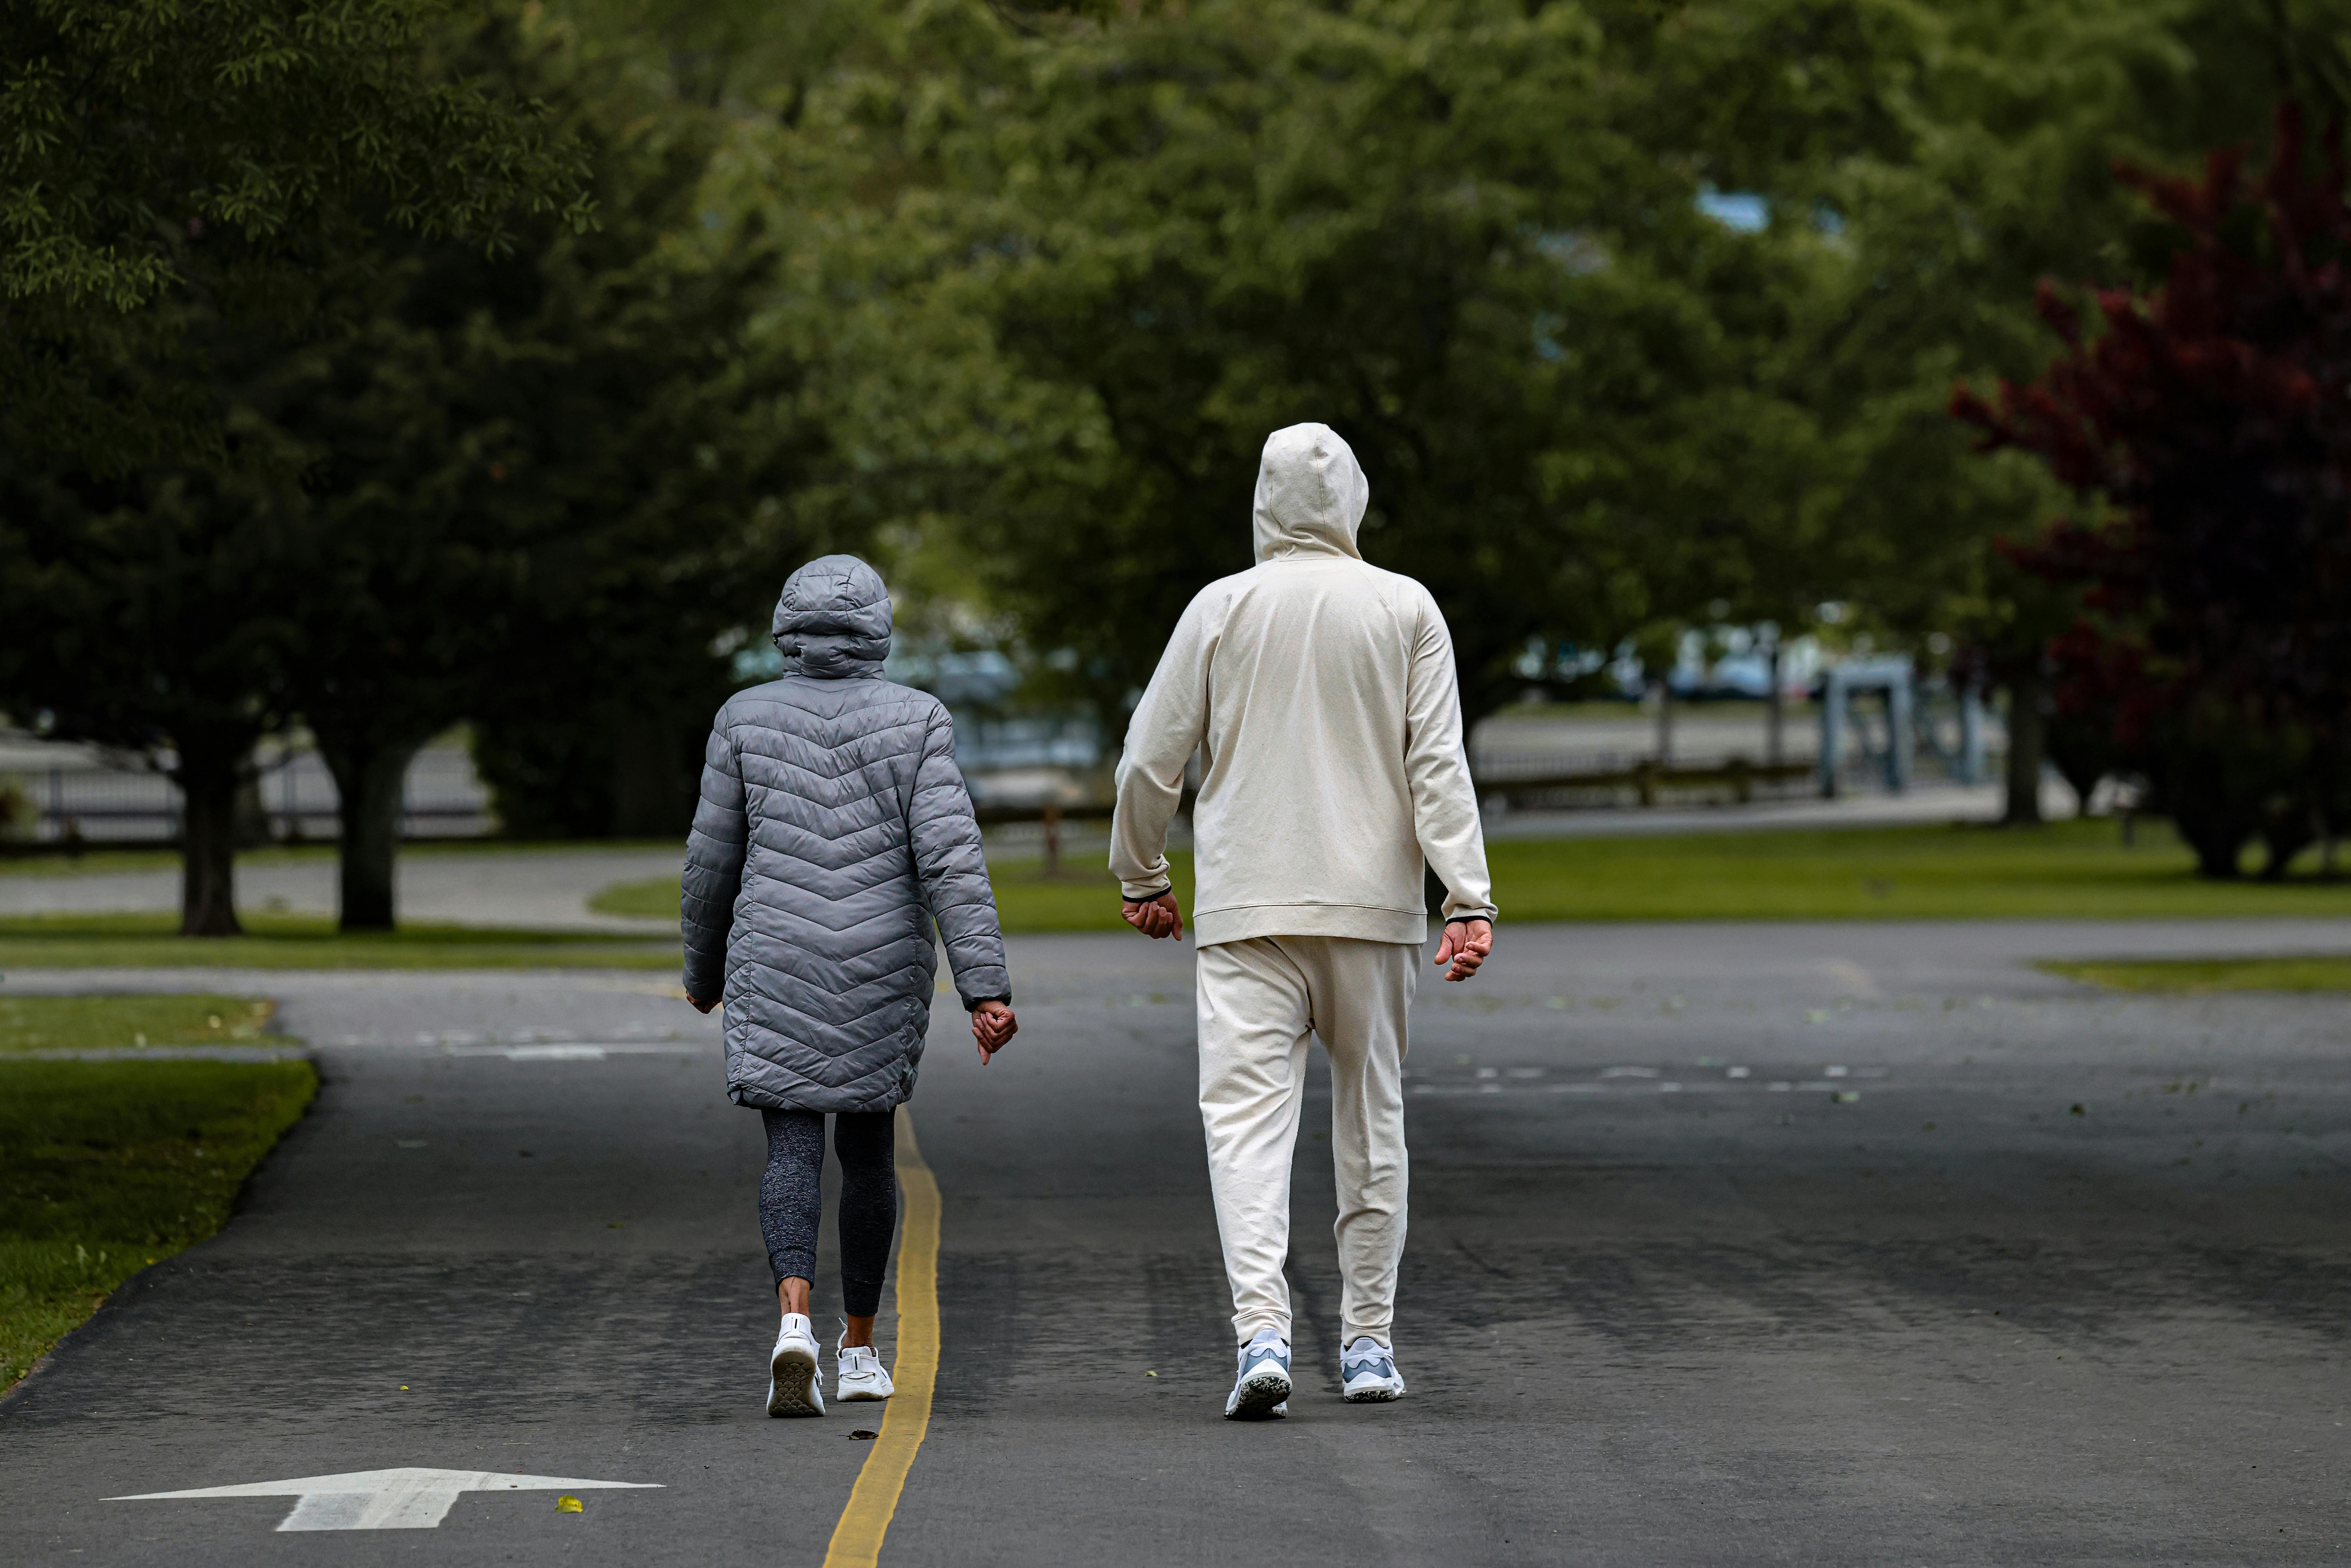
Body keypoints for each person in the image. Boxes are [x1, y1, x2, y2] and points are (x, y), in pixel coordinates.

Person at [1110, 423, 1495, 1421]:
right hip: (1373, 910)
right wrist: (1465, 896)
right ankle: (1368, 1343)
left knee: (1244, 1130)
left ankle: (1261, 1336)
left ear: (1263, 502)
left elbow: (1149, 759)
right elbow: (1436, 764)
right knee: (1372, 1122)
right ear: (1354, 499)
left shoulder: (1220, 608)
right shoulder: (1406, 606)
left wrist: (1141, 875)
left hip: (1248, 909)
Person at [682, 554, 1017, 1418]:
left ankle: (792, 1322)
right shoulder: (919, 719)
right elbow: (951, 860)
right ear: (877, 628)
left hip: (777, 955)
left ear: (787, 630)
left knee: (790, 1150)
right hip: (880, 961)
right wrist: (984, 987)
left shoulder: (742, 717)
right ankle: (860, 1350)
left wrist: (703, 971)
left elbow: (712, 861)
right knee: (868, 1156)